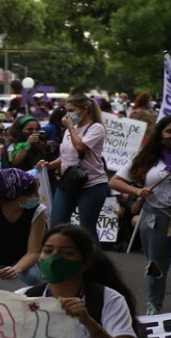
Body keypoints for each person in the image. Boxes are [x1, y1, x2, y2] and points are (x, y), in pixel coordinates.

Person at [109, 114, 171, 313]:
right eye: (170, 131)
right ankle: (154, 307)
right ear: (160, 135)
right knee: (156, 266)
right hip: (155, 217)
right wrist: (137, 191)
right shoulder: (146, 158)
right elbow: (115, 181)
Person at [17, 224, 138, 338]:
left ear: (85, 263)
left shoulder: (108, 300)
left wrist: (89, 323)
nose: (54, 259)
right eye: (48, 251)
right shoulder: (24, 298)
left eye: (67, 253)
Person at [37, 94, 108, 239]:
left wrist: (70, 128)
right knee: (57, 224)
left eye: (71, 110)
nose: (68, 114)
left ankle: (91, 260)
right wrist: (49, 165)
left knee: (86, 228)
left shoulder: (96, 128)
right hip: (68, 182)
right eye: (66, 110)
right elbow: (66, 156)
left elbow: (80, 148)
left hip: (91, 185)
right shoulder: (72, 129)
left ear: (84, 109)